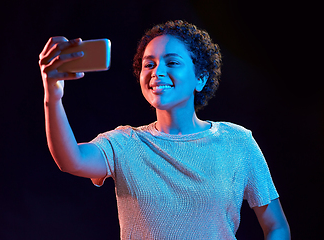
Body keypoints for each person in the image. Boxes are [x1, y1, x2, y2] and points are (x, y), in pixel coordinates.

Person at [38, 20, 290, 239]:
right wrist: (53, 96)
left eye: (172, 62)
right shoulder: (125, 143)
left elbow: (276, 226)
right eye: (149, 64)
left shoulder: (238, 142)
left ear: (200, 78)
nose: (157, 72)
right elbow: (71, 159)